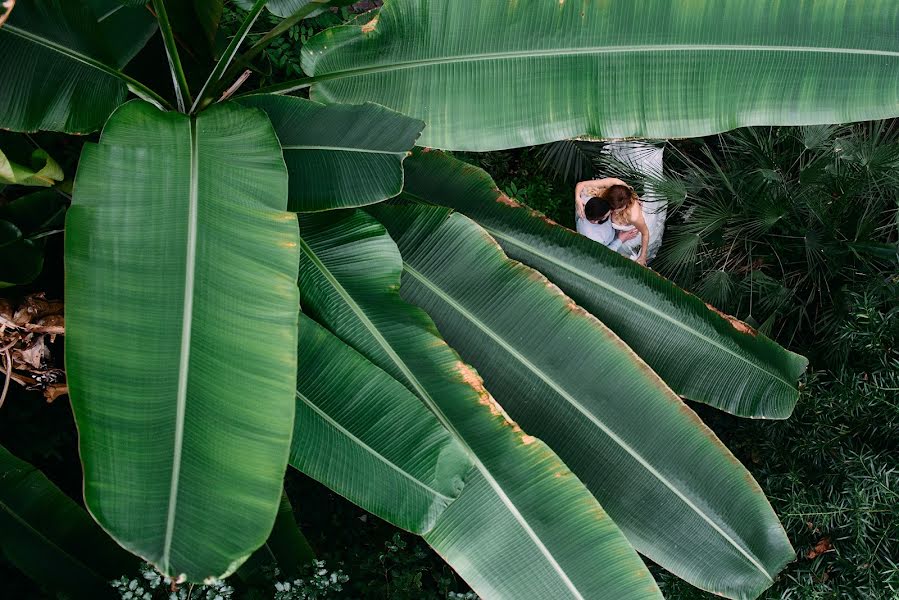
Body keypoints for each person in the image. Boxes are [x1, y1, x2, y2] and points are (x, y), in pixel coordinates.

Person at [574, 177, 650, 265]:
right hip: (615, 239)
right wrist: (577, 199)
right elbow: (602, 254)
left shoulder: (634, 216)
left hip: (632, 232)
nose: (610, 211)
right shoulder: (616, 186)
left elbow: (645, 233)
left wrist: (643, 256)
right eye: (609, 208)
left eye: (613, 209)